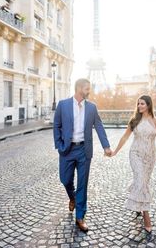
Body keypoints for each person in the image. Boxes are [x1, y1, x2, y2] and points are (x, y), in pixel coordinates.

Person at [53, 78, 112, 232]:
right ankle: (72, 197)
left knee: (82, 185)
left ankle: (80, 216)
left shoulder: (92, 107)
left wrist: (106, 146)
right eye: (87, 89)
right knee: (65, 179)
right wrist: (59, 145)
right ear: (79, 88)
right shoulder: (63, 105)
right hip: (67, 149)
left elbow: (98, 126)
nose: (89, 91)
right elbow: (57, 125)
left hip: (84, 151)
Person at [111, 95, 156, 232]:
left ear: (149, 105)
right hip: (135, 154)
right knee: (141, 180)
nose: (139, 106)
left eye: (142, 104)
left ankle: (139, 205)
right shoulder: (135, 120)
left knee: (143, 183)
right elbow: (125, 137)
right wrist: (115, 151)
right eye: (138, 104)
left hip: (150, 156)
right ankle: (146, 215)